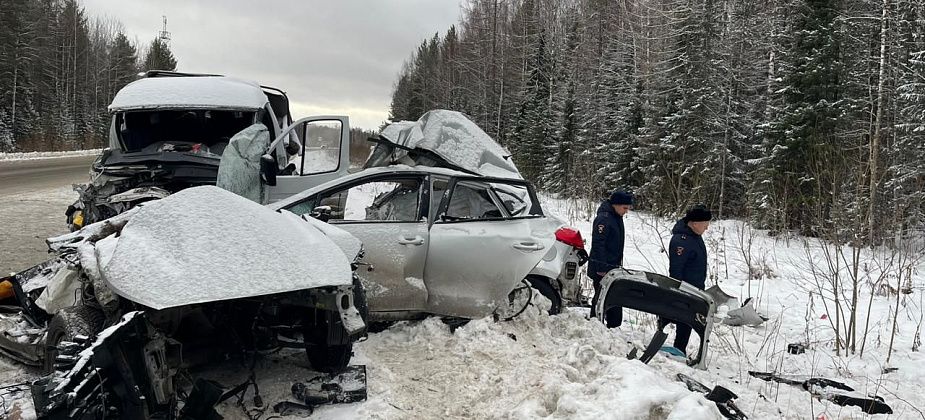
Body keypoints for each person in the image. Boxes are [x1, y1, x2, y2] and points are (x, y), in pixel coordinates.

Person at [667, 204, 712, 354]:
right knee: (682, 320)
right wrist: (677, 290)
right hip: (685, 289)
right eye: (705, 224)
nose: (707, 228)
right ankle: (677, 350)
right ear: (694, 223)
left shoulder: (694, 236)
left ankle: (679, 349)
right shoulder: (682, 240)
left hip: (695, 287)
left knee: (686, 322)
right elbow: (676, 269)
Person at [589, 190, 633, 327]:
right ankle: (595, 325)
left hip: (613, 267)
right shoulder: (604, 219)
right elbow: (598, 244)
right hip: (602, 268)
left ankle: (612, 326)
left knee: (612, 297)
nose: (626, 211)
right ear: (616, 205)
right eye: (625, 208)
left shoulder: (616, 217)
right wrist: (602, 268)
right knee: (601, 298)